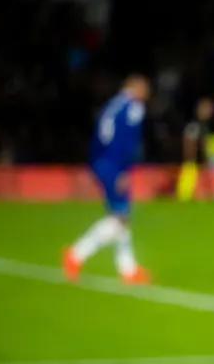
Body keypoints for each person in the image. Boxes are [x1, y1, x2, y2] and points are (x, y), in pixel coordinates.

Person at [64, 75, 151, 285]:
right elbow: (125, 142)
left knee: (121, 217)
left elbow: (102, 136)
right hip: (114, 164)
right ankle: (77, 253)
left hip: (101, 161)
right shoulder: (133, 107)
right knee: (120, 217)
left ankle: (128, 269)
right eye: (145, 89)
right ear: (135, 87)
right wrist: (122, 169)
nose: (147, 94)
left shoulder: (113, 105)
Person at [176, 97, 214, 202]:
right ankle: (184, 197)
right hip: (191, 162)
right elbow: (188, 143)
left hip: (198, 162)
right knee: (187, 183)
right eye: (206, 109)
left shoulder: (204, 126)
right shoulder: (194, 125)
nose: (209, 112)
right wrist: (190, 159)